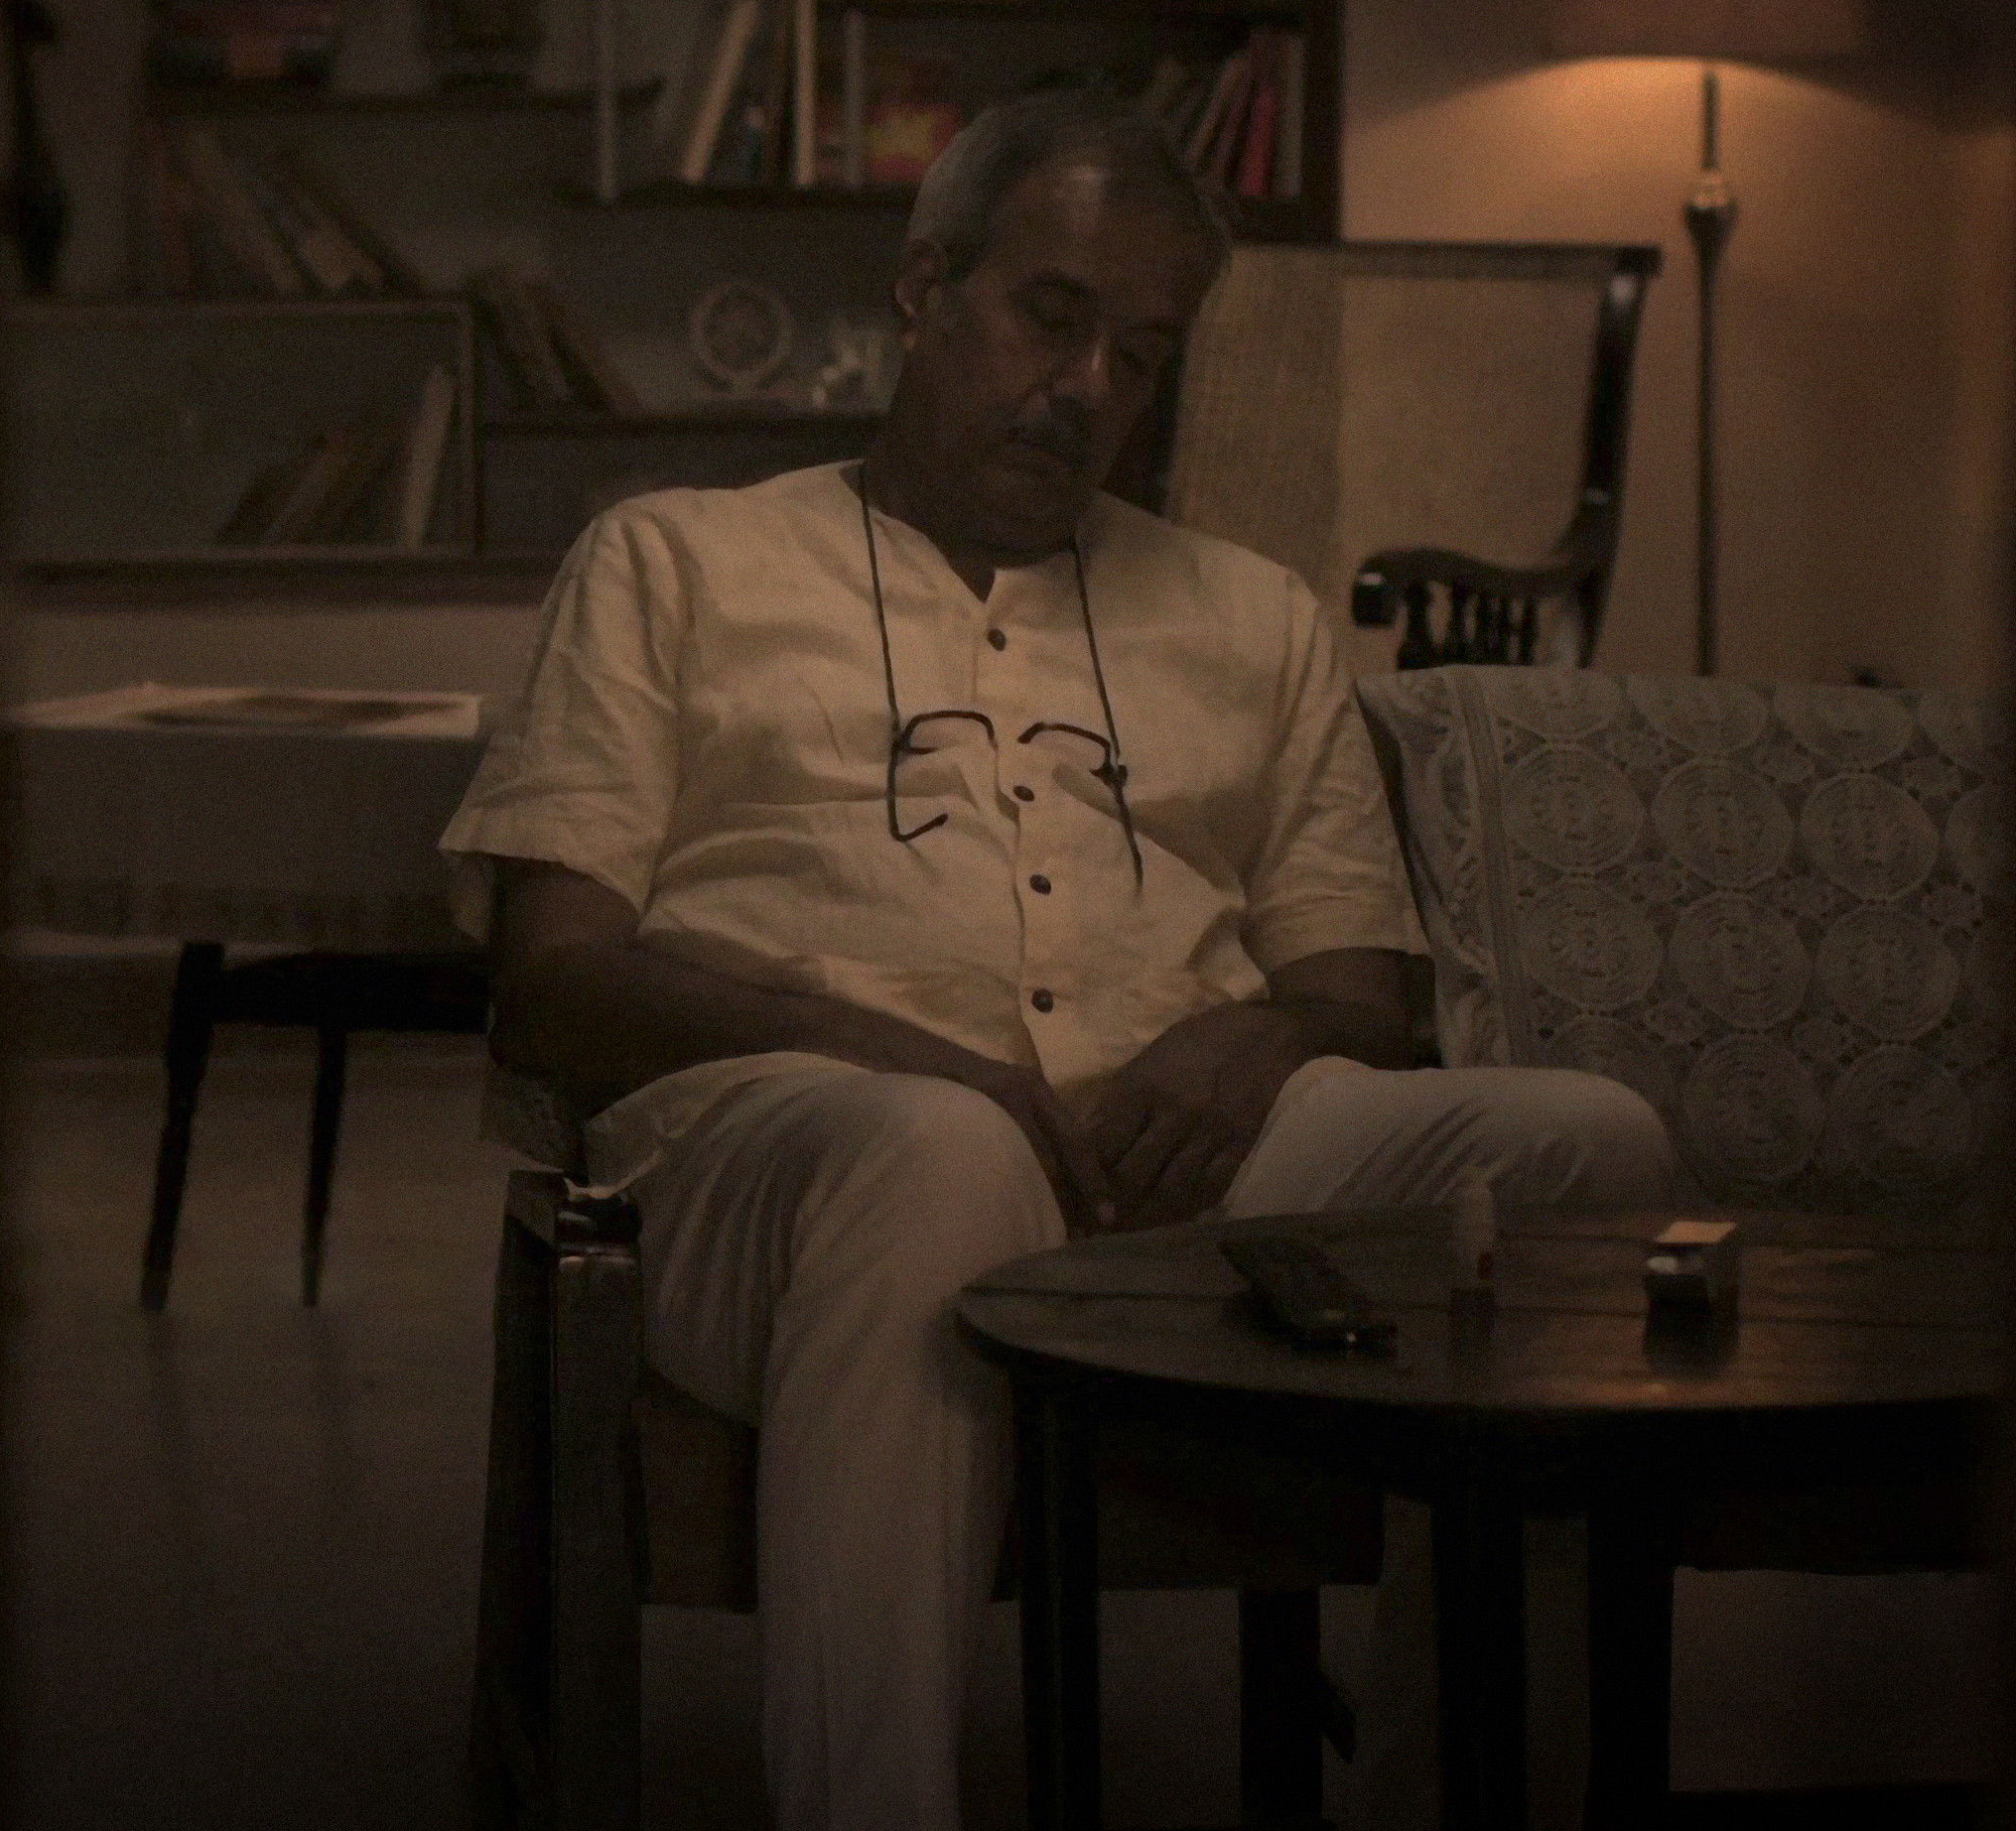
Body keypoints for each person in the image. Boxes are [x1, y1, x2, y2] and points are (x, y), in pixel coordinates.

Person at [442, 91, 1679, 1831]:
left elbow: (1361, 995)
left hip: (1184, 1184)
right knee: (936, 1151)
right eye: (1052, 314)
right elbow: (552, 980)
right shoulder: (674, 562)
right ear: (922, 286)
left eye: (1144, 353)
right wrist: (898, 1055)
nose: (1092, 386)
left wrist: (1259, 1043)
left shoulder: (1254, 615)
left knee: (1587, 1146)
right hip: (786, 1169)